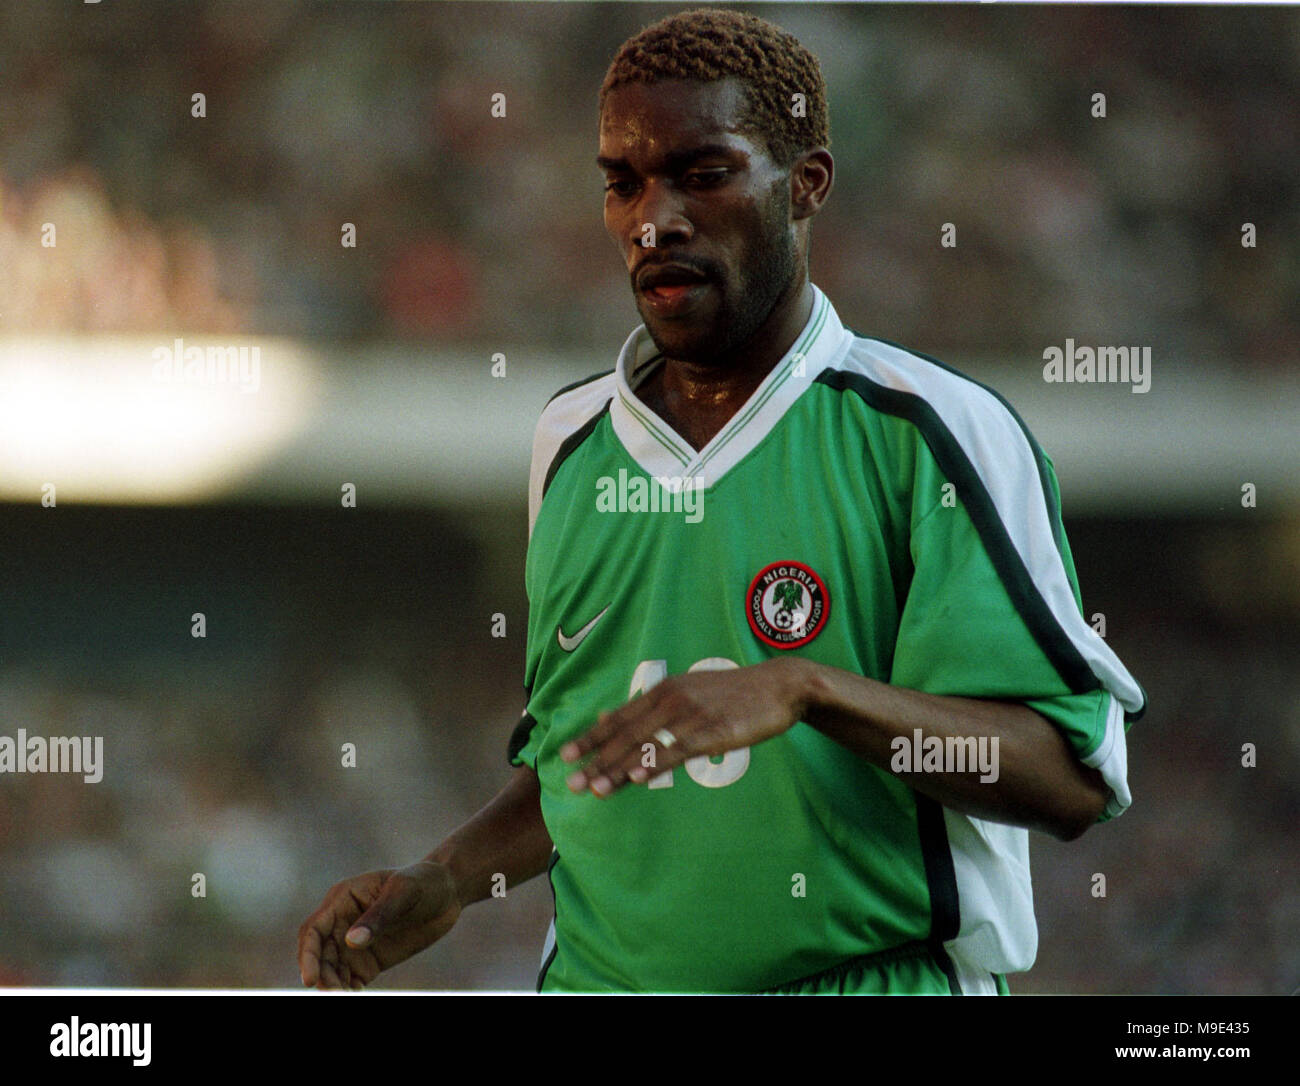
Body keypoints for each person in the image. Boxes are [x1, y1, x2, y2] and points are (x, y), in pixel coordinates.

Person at [298, 7, 1146, 995]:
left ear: (805, 185)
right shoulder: (568, 445)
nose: (654, 219)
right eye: (623, 184)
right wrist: (446, 878)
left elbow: (1068, 777)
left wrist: (806, 689)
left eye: (703, 175)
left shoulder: (926, 433)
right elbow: (589, 762)